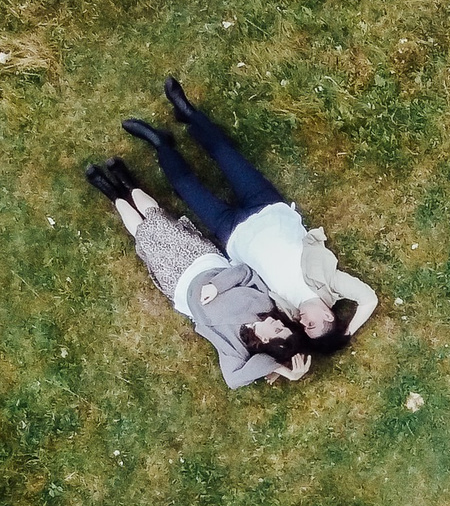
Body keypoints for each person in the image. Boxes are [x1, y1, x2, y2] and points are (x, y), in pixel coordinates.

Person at [121, 78, 377, 347]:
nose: (303, 323)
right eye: (311, 324)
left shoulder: (286, 313)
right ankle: (188, 112)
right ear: (327, 314)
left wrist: (282, 370)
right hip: (266, 206)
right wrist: (344, 334)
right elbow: (369, 298)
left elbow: (274, 345)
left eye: (305, 328)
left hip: (229, 230)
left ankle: (159, 143)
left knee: (185, 187)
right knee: (224, 154)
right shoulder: (332, 283)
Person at [83, 157, 313, 388]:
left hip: (178, 283)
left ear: (266, 341)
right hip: (203, 261)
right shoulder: (263, 304)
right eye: (282, 325)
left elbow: (233, 380)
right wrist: (217, 286)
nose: (278, 322)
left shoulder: (235, 349)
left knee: (144, 238)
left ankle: (112, 193)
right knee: (159, 222)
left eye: (278, 329)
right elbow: (244, 272)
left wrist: (281, 369)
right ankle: (129, 185)